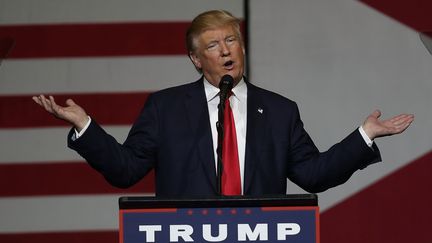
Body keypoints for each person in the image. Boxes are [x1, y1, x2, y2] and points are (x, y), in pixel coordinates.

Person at [33, 10, 413, 198]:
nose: (226, 50)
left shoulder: (280, 111)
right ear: (196, 60)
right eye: (213, 45)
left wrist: (363, 135)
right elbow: (126, 170)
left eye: (232, 40)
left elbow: (313, 175)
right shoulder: (165, 108)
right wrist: (85, 125)